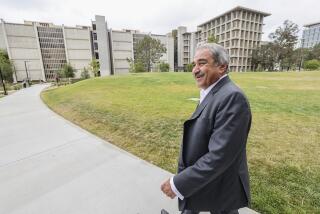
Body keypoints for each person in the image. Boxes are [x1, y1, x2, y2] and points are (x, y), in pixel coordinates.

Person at [161, 42, 252, 214]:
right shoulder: (213, 91)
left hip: (222, 181)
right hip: (208, 176)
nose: (195, 69)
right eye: (194, 64)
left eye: (202, 63)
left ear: (222, 67)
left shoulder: (232, 97)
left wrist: (177, 184)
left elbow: (220, 155)